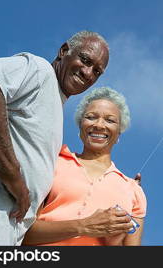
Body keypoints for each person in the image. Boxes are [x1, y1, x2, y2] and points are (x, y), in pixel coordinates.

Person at [0, 31, 112, 246]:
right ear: (64, 51)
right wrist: (11, 170)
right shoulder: (40, 70)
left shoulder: (55, 105)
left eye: (97, 71)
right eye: (85, 60)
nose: (88, 73)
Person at [21, 87, 147, 246]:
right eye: (91, 117)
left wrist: (113, 239)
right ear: (80, 126)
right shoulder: (52, 164)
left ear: (119, 133)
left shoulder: (133, 191)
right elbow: (21, 234)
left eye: (110, 120)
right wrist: (84, 226)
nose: (99, 125)